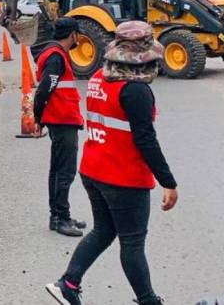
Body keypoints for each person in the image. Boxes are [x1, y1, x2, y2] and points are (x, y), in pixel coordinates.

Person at [46, 21, 177, 305]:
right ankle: (148, 300)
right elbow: (146, 141)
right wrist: (168, 182)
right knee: (132, 242)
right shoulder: (135, 91)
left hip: (93, 170)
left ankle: (67, 284)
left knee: (104, 230)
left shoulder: (97, 78)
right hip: (122, 177)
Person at [32, 17, 85, 237]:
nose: (78, 38)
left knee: (57, 171)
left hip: (61, 118)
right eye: (77, 34)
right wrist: (38, 118)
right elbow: (45, 88)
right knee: (64, 172)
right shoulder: (56, 57)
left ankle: (58, 215)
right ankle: (61, 218)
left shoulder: (55, 53)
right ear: (72, 34)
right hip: (62, 119)